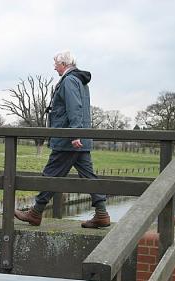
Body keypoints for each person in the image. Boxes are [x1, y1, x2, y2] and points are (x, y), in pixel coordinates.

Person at [14, 50, 110, 228]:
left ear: (64, 64)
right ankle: (102, 214)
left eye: (56, 64)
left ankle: (35, 213)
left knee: (50, 175)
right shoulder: (78, 81)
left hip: (68, 141)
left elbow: (75, 107)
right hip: (77, 139)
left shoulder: (69, 80)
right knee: (89, 177)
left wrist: (74, 133)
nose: (54, 67)